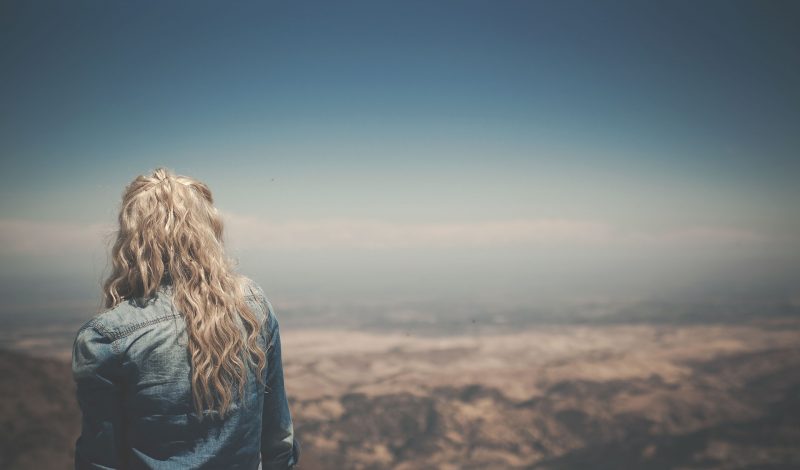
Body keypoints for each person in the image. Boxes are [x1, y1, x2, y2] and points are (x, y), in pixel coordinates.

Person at [71, 168, 300, 469]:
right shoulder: (253, 305)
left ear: (131, 239)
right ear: (206, 231)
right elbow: (278, 438)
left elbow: (101, 461)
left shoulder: (107, 338)